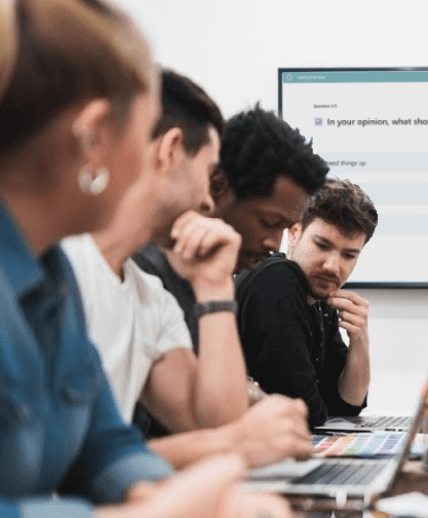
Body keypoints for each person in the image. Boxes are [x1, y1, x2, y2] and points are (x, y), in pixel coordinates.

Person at [0, 0, 289, 518]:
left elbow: (103, 445)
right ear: (92, 135)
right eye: (146, 125)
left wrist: (186, 507)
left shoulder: (49, 272)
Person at [61, 69, 311, 469]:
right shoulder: (60, 265)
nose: (208, 201)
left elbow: (214, 423)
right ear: (171, 150)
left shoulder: (149, 298)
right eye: (208, 173)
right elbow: (63, 466)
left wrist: (215, 288)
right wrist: (233, 443)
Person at [133, 105, 328, 436]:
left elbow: (218, 412)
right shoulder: (147, 276)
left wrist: (256, 401)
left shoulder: (209, 276)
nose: (274, 243)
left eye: (285, 228)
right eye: (269, 222)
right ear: (217, 186)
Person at [235, 179, 376, 428]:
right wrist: (319, 405)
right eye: (322, 245)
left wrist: (360, 338)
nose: (333, 266)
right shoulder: (277, 280)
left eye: (349, 255)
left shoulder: (320, 296)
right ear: (294, 233)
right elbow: (306, 413)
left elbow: (347, 405)